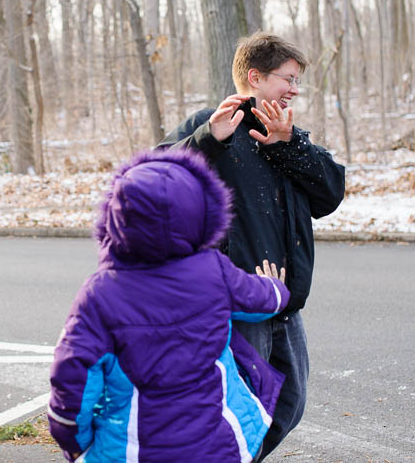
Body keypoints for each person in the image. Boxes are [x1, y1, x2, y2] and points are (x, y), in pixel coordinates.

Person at [158, 31, 346, 460]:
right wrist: (209, 138)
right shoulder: (213, 125)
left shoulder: (288, 134)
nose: (295, 90)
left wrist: (291, 146)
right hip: (237, 302)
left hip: (285, 300)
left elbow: (330, 196)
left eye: (299, 81)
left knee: (289, 405)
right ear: (255, 77)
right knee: (243, 410)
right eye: (289, 78)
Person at [48, 148, 291, 462]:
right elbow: (261, 299)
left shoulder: (99, 295)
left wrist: (75, 443)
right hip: (215, 445)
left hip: (132, 451)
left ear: (115, 217)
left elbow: (72, 384)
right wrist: (279, 288)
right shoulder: (213, 270)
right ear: (201, 213)